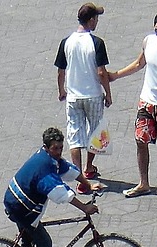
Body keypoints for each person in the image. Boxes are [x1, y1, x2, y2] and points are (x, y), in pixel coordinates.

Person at [4, 127, 97, 247]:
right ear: (46, 147)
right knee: (45, 243)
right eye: (55, 148)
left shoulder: (49, 158)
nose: (59, 152)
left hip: (15, 199)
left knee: (29, 240)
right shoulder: (44, 166)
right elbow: (60, 192)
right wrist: (84, 208)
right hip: (21, 208)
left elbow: (67, 169)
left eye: (61, 148)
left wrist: (87, 183)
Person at [109, 11, 157, 197]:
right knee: (140, 140)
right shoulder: (148, 41)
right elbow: (139, 63)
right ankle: (143, 182)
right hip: (146, 103)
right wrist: (116, 75)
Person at [55, 4, 112, 181]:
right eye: (96, 18)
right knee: (95, 133)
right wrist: (108, 93)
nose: (97, 21)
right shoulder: (97, 43)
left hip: (73, 96)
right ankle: (89, 167)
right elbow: (101, 72)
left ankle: (79, 175)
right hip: (93, 95)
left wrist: (61, 90)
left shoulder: (66, 42)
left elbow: (61, 71)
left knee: (75, 135)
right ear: (91, 20)